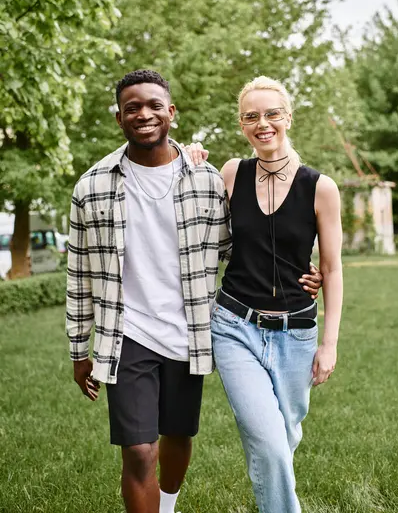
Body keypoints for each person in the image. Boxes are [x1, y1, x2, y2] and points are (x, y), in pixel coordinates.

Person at [66, 70, 322, 513]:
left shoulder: (204, 179)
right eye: (132, 107)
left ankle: (167, 505)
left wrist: (301, 269)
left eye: (153, 105)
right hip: (126, 335)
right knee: (139, 451)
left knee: (178, 435)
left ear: (171, 113)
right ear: (118, 117)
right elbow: (78, 274)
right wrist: (78, 350)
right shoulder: (91, 187)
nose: (143, 114)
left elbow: (237, 244)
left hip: (189, 334)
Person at [186, 76, 342, 513]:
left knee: (284, 437)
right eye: (251, 116)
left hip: (296, 333)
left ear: (288, 117)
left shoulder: (320, 187)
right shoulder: (232, 172)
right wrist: (193, 161)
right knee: (269, 443)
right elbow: (199, 223)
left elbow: (331, 268)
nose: (263, 123)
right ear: (242, 124)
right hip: (235, 325)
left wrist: (329, 344)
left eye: (272, 113)